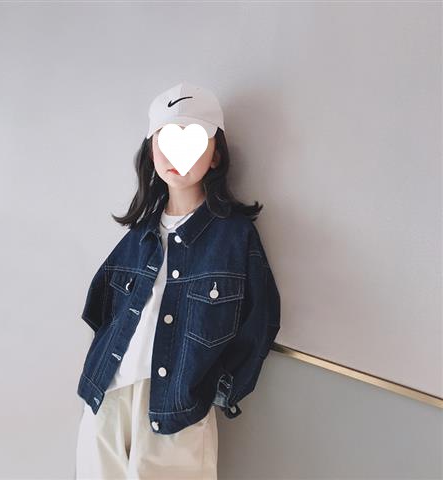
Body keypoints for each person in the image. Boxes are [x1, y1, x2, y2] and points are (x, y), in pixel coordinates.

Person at [75, 81, 281, 479]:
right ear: (151, 150)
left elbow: (261, 320)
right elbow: (100, 309)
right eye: (166, 139)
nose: (177, 154)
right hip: (105, 398)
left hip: (177, 409)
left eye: (193, 140)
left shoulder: (234, 237)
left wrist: (216, 390)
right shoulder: (139, 236)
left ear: (215, 155)